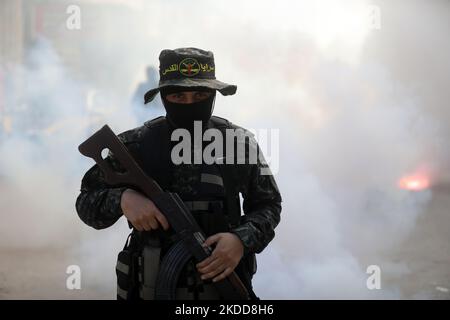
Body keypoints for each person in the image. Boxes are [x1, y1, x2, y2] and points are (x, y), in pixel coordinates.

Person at [75, 47, 282, 300]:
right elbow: (86, 202)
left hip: (222, 291)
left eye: (199, 95)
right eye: (178, 96)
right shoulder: (136, 144)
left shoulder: (238, 143)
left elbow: (269, 205)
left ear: (213, 95)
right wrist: (123, 199)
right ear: (163, 96)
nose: (190, 103)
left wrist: (240, 240)